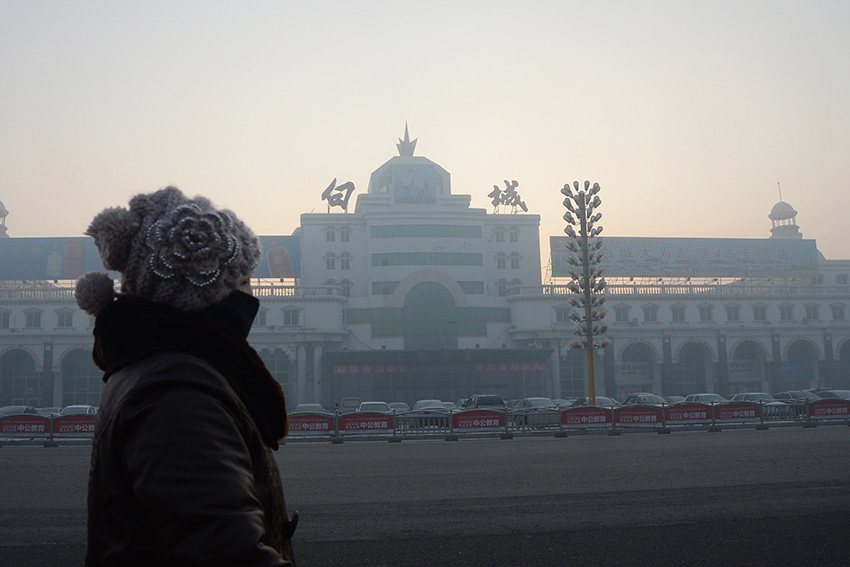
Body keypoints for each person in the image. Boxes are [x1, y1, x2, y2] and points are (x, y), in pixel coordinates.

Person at [75, 187, 296, 566]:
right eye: (242, 280)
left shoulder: (160, 368)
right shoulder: (178, 395)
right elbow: (227, 551)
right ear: (208, 295)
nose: (251, 294)